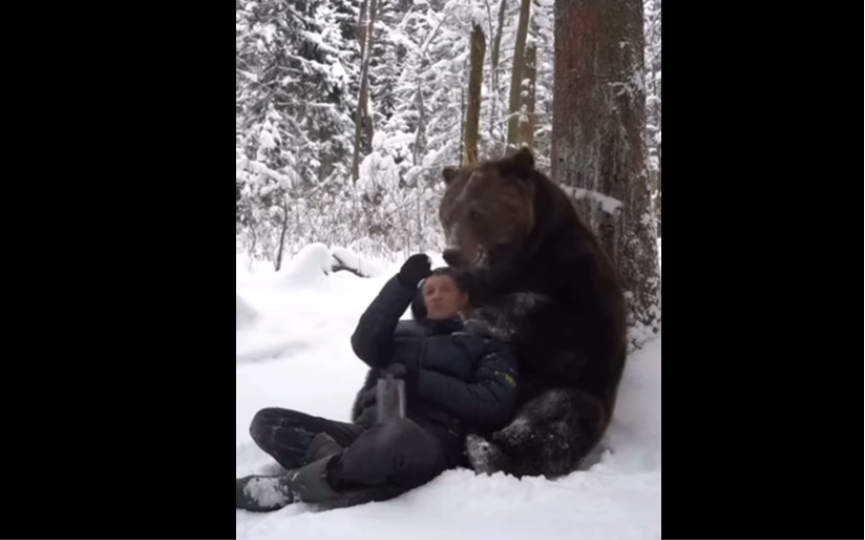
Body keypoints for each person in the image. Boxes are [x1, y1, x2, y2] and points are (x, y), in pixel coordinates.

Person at [235, 253, 519, 512]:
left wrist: (421, 381)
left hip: (431, 442)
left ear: (466, 297)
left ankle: (292, 488)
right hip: (367, 430)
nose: (436, 296)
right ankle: (351, 468)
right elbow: (363, 343)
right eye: (429, 290)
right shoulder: (400, 333)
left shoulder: (487, 343)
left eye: (446, 289)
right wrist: (402, 284)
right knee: (268, 421)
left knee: (397, 436)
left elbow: (493, 402)